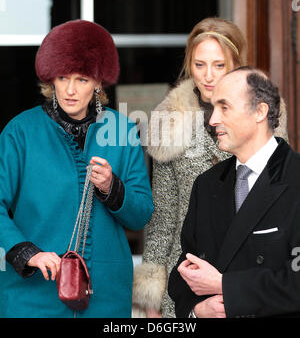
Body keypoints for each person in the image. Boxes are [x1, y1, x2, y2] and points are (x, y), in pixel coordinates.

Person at [132, 18, 288, 318]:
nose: (208, 76)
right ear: (189, 63)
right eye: (199, 64)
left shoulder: (263, 117)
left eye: (219, 65)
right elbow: (163, 216)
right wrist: (150, 300)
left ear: (236, 63)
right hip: (188, 276)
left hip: (251, 272)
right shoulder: (169, 123)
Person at [0, 19, 154, 318]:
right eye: (63, 77)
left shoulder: (122, 129)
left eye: (82, 79)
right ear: (50, 79)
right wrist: (26, 252)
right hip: (33, 296)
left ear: (98, 82)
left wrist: (112, 187)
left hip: (105, 294)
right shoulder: (19, 132)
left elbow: (141, 214)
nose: (70, 90)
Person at [168, 67, 300, 318]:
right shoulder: (206, 185)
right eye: (212, 107)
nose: (212, 120)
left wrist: (225, 287)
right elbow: (182, 271)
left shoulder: (296, 177)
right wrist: (196, 310)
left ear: (260, 111)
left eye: (224, 107)